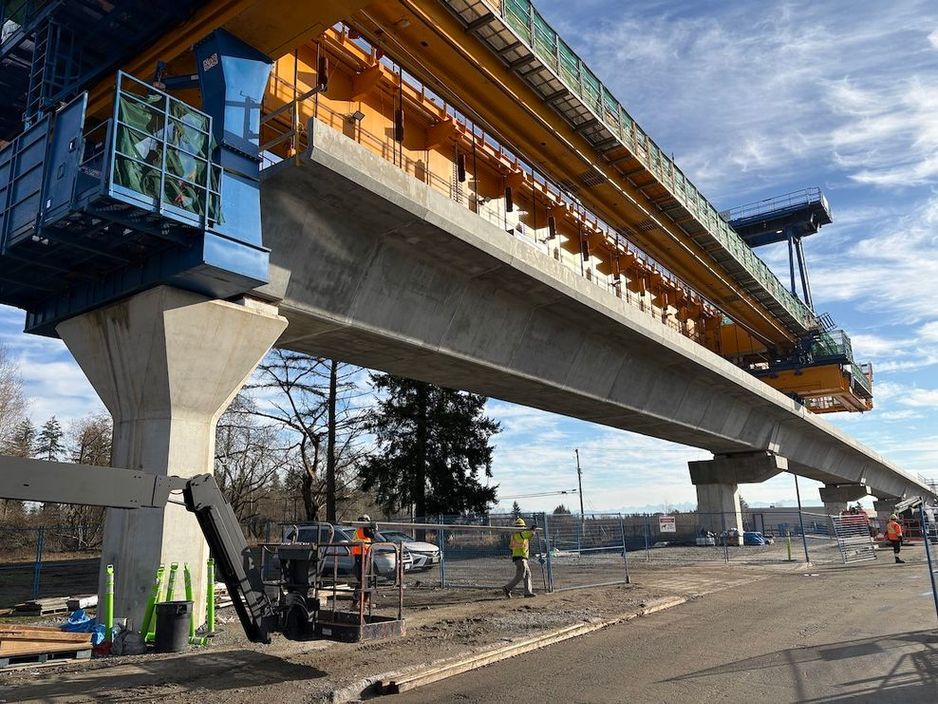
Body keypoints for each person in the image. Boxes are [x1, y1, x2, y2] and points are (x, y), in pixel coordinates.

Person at [503, 517, 538, 598]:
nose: (520, 528)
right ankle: (507, 588)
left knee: (527, 574)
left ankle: (528, 592)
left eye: (522, 526)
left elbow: (529, 535)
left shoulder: (521, 534)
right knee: (521, 575)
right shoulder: (518, 534)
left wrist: (532, 531)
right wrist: (532, 530)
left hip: (522, 557)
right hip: (520, 557)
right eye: (519, 527)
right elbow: (527, 534)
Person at [349, 514, 376, 607]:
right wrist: (375, 528)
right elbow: (373, 535)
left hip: (359, 555)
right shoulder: (364, 528)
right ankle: (360, 603)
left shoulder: (358, 529)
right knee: (364, 580)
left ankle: (359, 602)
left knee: (363, 580)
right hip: (363, 555)